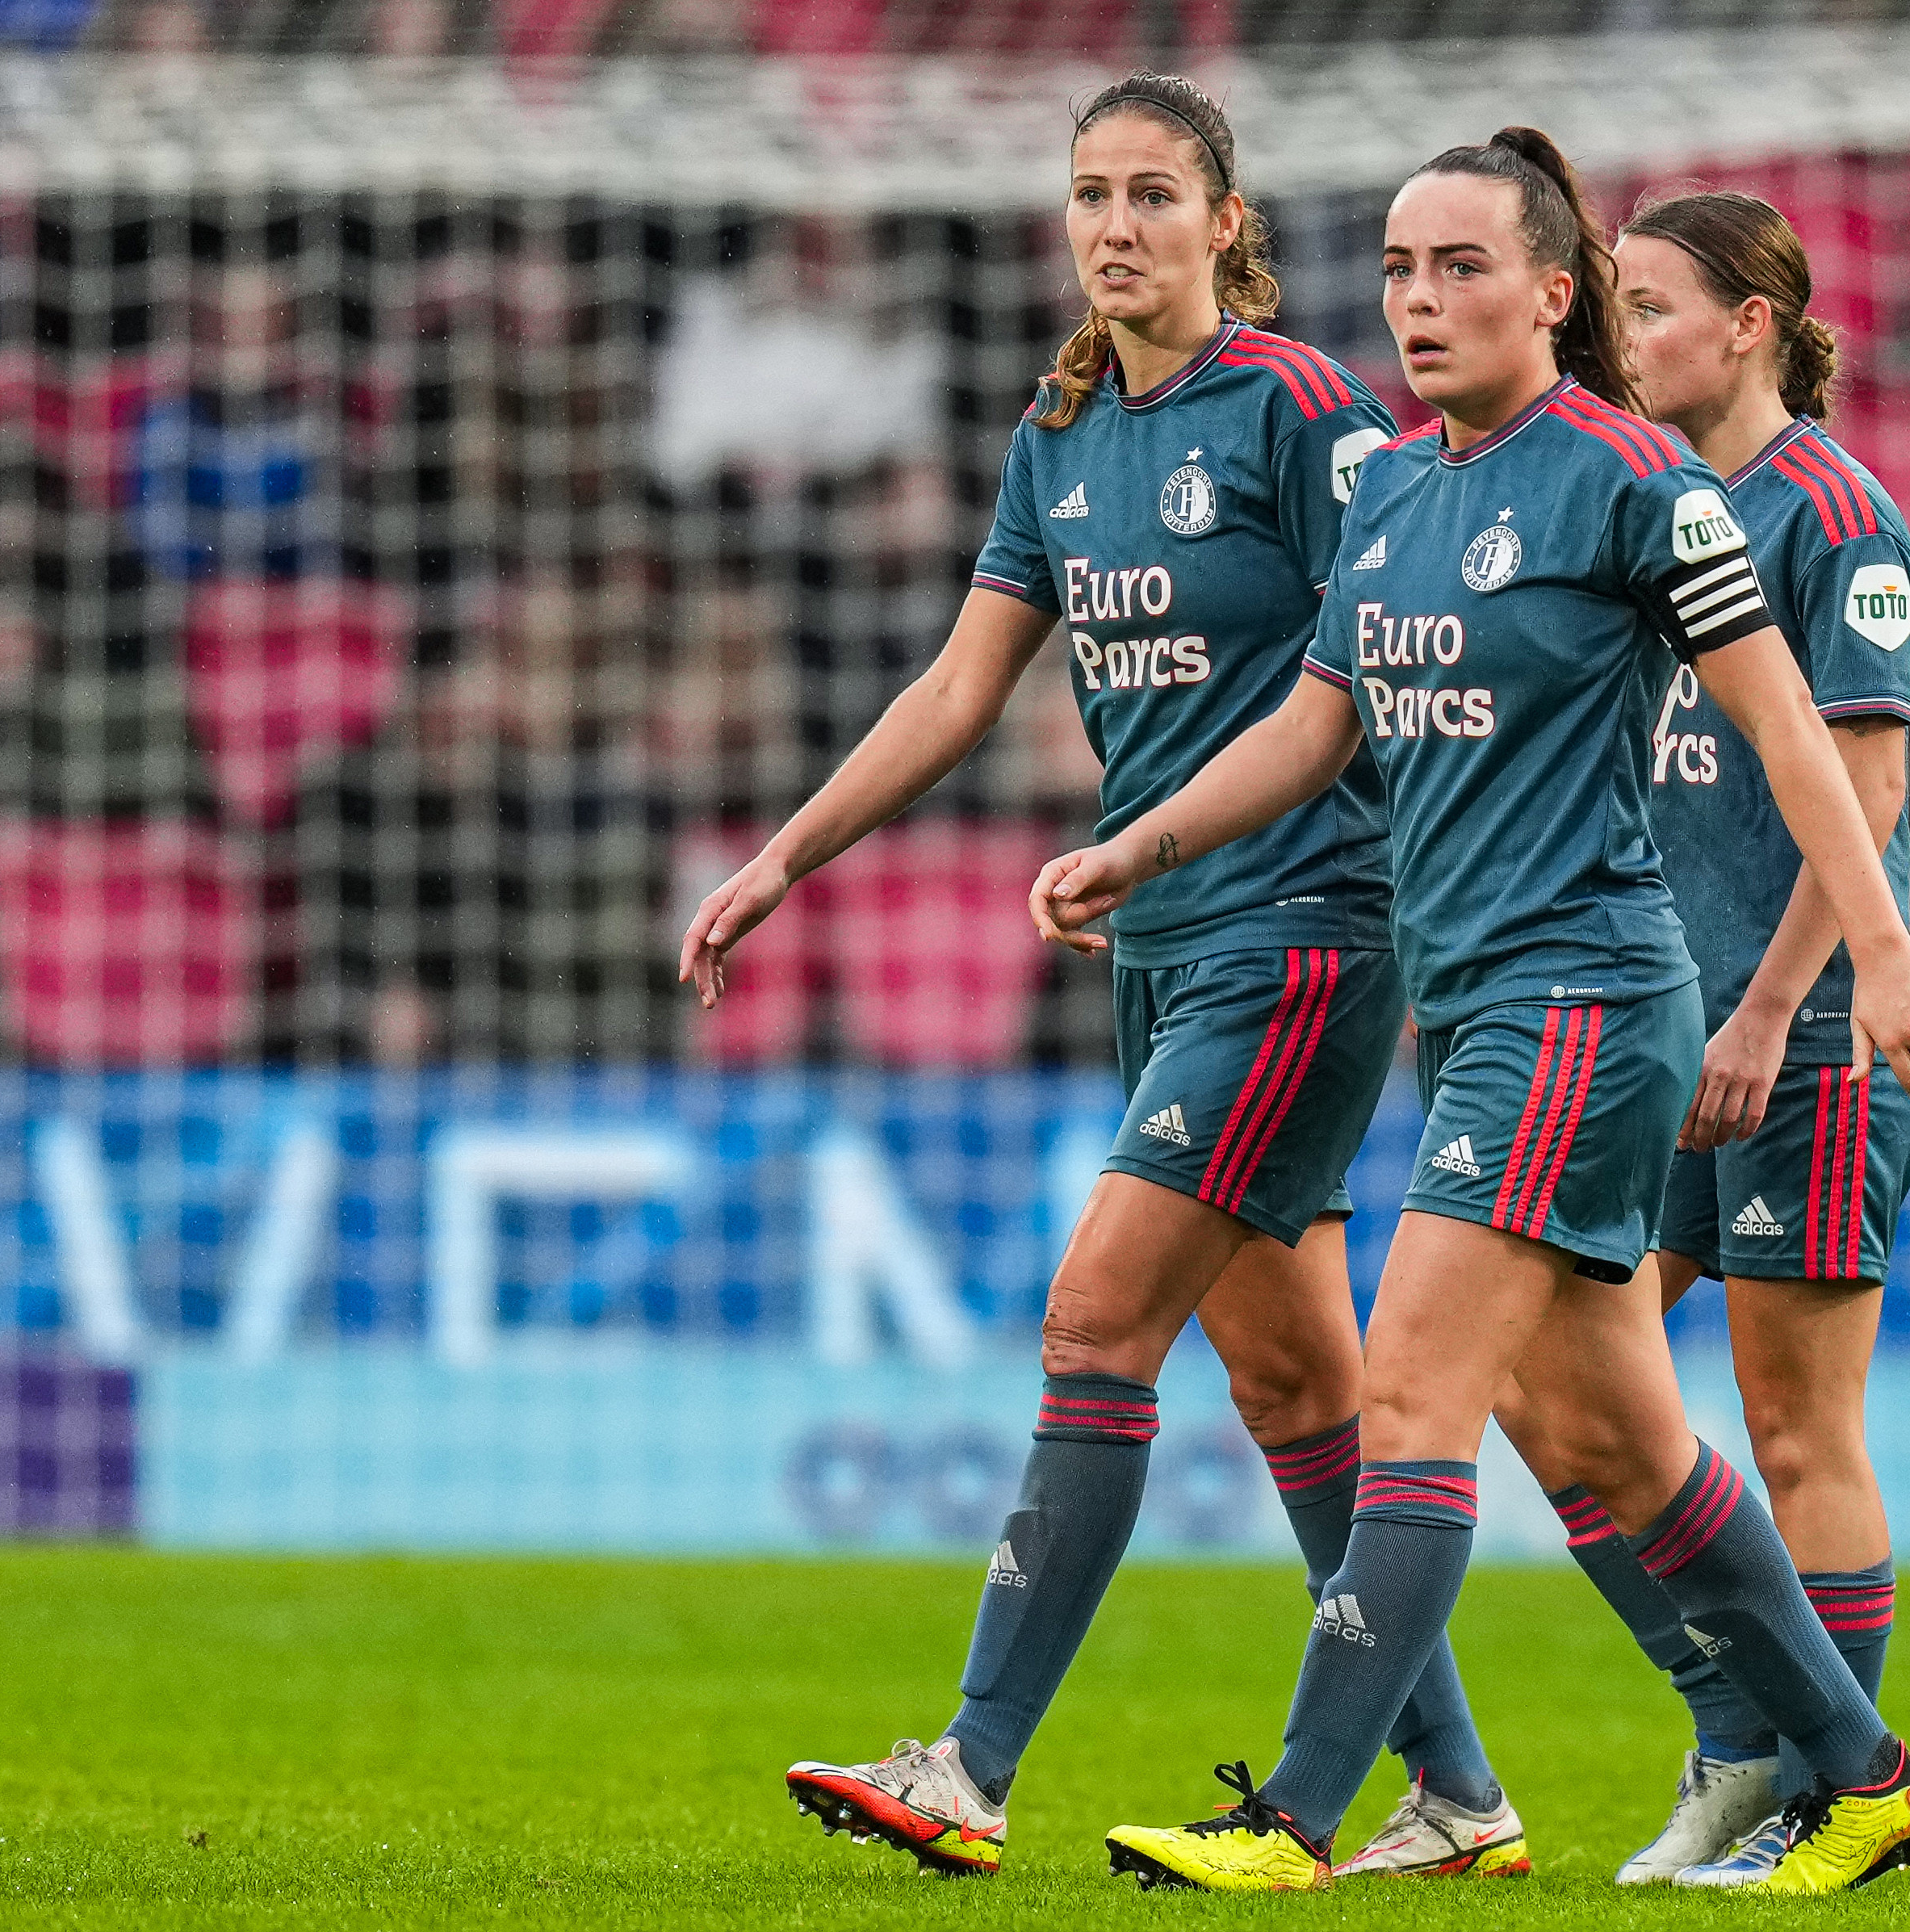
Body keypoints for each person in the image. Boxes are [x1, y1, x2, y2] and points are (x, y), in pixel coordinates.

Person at [1056, 127, 1910, 1897]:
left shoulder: (1638, 481)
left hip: (1584, 996)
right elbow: (1313, 726)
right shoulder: (1396, 488)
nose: (1418, 300)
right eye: (1400, 269)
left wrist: (1881, 951)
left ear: (1556, 296)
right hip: (1472, 1006)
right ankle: (1864, 1777)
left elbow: (1794, 733)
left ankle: (1298, 1818)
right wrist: (1139, 844)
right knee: (1619, 1438)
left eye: (1461, 267)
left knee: (1411, 1385)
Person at [675, 73, 1517, 1883]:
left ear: (1227, 222)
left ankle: (969, 1764)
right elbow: (956, 688)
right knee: (1291, 1386)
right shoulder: (1058, 434)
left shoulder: (1296, 407)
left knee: (1091, 1324)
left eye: (1152, 193)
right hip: (1163, 948)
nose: (1116, 225)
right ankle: (1457, 1795)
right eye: (1089, 195)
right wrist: (782, 858)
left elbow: (1409, 646)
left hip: (1299, 936)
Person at [1487, 186, 1910, 1890]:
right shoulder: (1650, 503)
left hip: (1800, 1033)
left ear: (1752, 325)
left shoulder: (1834, 514)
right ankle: (1746, 1733)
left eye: (1652, 306)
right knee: (1539, 1384)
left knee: (1795, 1425)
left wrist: (1763, 1009)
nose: (1626, 336)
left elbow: (1863, 792)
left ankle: (1835, 1799)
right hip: (1670, 1030)